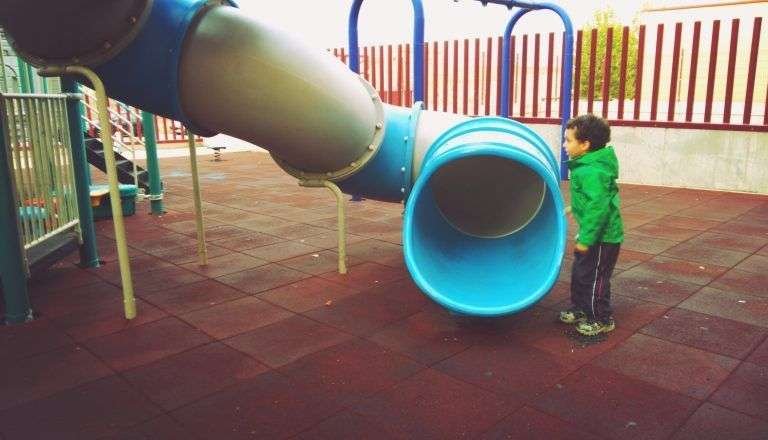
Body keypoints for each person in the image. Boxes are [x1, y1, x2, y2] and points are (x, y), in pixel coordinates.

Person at [558, 114, 624, 336]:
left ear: (585, 144)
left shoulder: (593, 171)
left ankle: (601, 318)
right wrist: (572, 209)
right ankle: (580, 308)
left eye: (568, 140)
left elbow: (598, 208)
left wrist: (586, 240)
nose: (564, 144)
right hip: (591, 233)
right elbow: (589, 201)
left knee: (596, 278)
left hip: (603, 238)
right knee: (580, 273)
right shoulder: (586, 165)